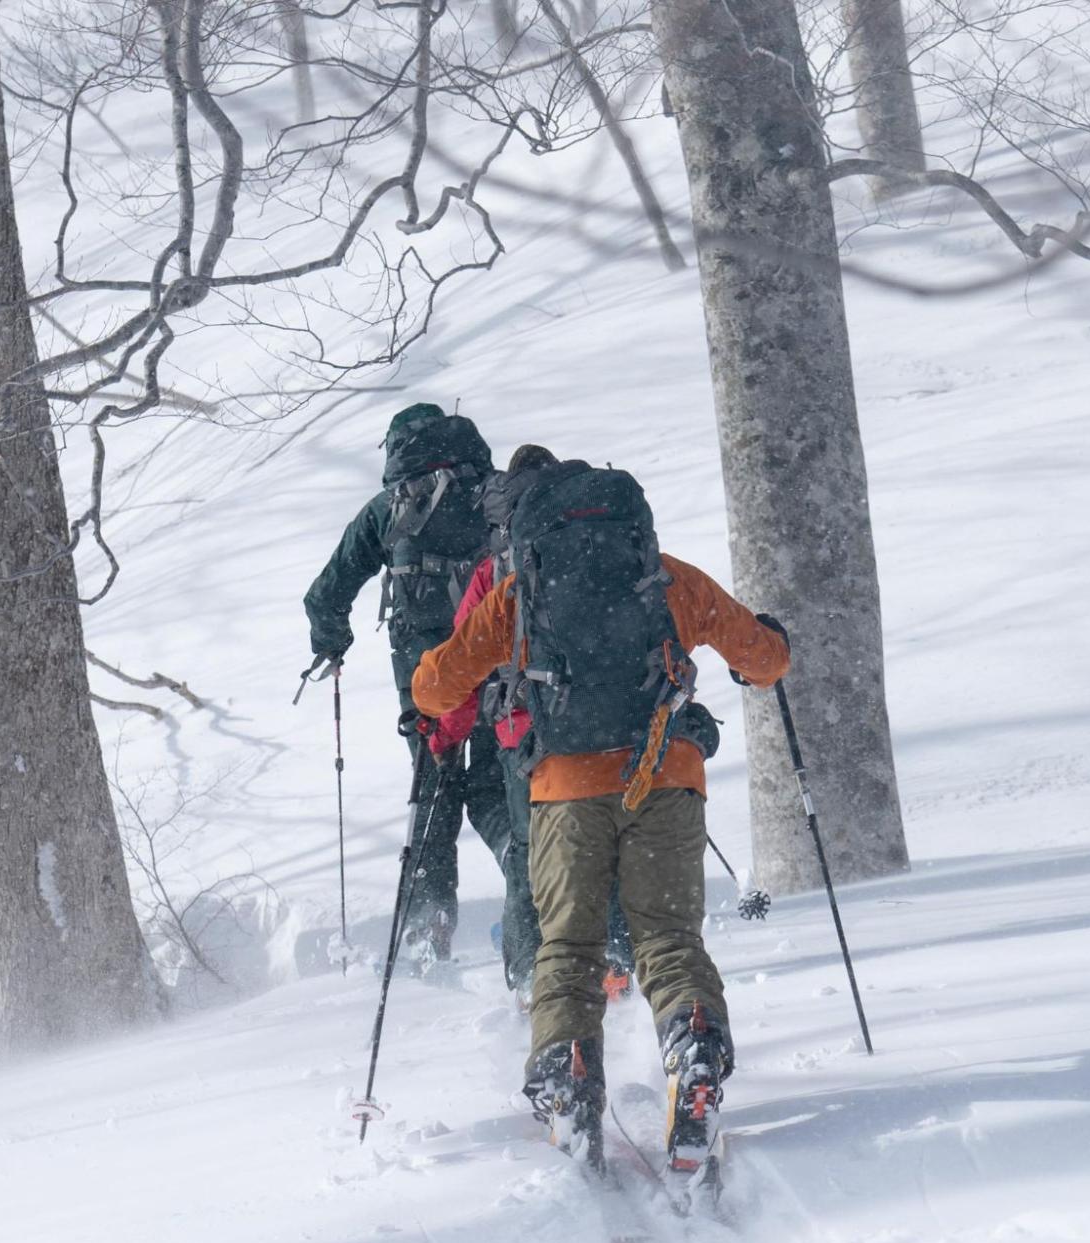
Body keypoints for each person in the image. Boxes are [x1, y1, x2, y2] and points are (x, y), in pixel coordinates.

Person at [410, 458, 789, 1180]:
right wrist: (768, 647)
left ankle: (566, 1069)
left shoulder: (519, 593)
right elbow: (763, 658)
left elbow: (436, 687)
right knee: (668, 939)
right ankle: (694, 1042)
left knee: (569, 945)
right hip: (666, 778)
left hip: (564, 791)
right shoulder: (668, 576)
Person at [302, 404, 510, 969]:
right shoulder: (496, 493)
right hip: (498, 664)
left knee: (435, 792)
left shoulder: (389, 507)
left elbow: (326, 592)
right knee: (499, 787)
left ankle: (427, 934)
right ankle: (531, 895)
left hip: (426, 681)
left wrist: (332, 642)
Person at [428, 445, 637, 1004]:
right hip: (615, 725)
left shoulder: (497, 567)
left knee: (529, 856)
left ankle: (529, 977)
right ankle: (615, 958)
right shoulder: (608, 543)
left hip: (528, 735)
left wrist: (444, 738)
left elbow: (463, 666)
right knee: (606, 847)